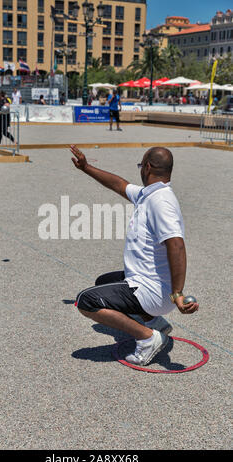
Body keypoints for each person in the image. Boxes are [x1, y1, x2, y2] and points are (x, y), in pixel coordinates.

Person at [70, 145, 199, 366]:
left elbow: (176, 245)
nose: (140, 169)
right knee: (103, 282)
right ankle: (156, 323)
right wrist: (86, 168)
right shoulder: (149, 194)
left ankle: (147, 337)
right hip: (148, 283)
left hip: (153, 291)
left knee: (86, 301)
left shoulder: (161, 202)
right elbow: (119, 185)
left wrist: (177, 293)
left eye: (141, 165)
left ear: (147, 167)